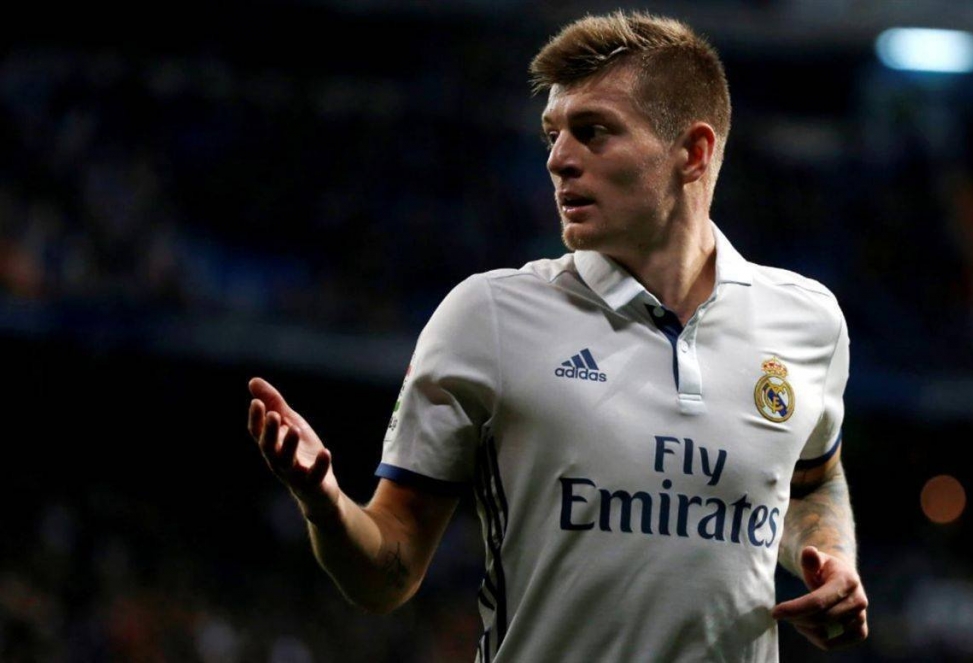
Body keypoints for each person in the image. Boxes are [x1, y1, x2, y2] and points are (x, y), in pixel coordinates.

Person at [246, 9, 869, 662]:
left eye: (593, 132)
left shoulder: (808, 321)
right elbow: (386, 576)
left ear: (693, 152)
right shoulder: (487, 316)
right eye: (553, 133)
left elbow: (812, 481)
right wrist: (324, 503)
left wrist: (831, 558)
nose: (558, 159)